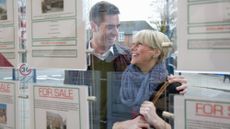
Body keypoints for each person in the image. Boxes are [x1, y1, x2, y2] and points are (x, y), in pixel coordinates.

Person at [64, 1, 131, 129]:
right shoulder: (76, 58)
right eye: (110, 27)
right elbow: (70, 98)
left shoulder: (127, 56)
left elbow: (147, 84)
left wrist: (173, 84)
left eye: (118, 26)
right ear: (94, 26)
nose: (116, 33)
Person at [120, 30, 187, 118]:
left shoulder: (171, 87)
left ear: (156, 52)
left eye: (139, 44)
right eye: (133, 44)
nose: (132, 48)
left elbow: (174, 122)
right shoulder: (123, 76)